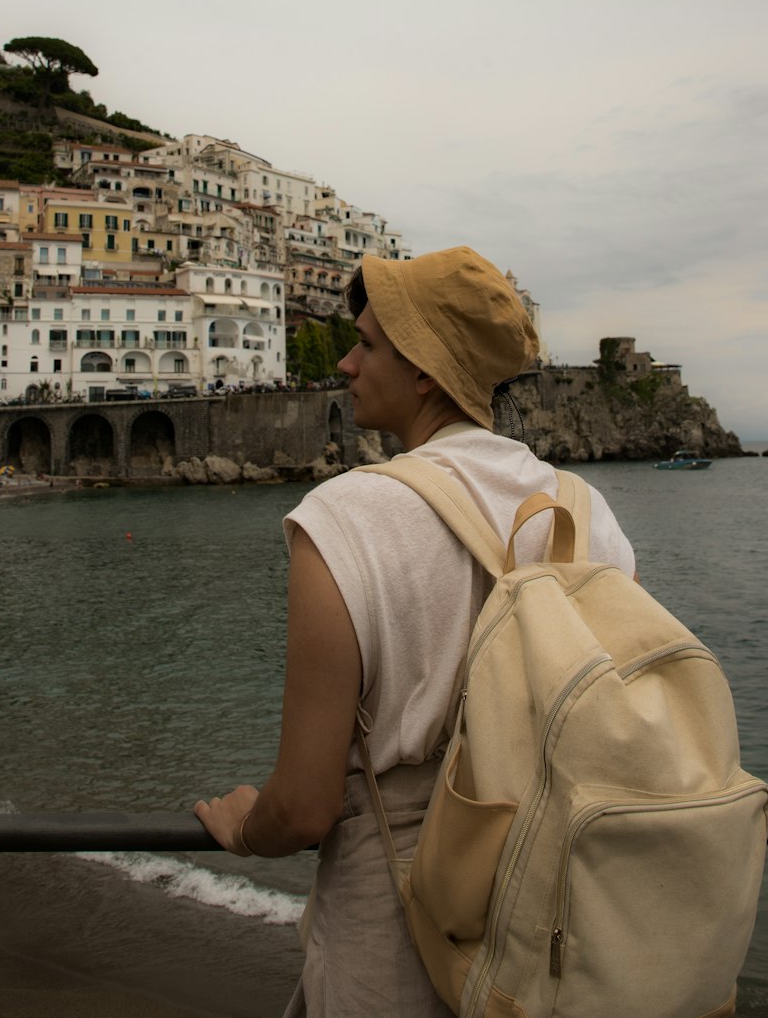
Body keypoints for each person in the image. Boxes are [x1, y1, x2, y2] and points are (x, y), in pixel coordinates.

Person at [195, 246, 636, 1017]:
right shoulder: (587, 512)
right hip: (548, 920)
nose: (347, 361)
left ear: (425, 370)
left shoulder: (345, 517)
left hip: (396, 929)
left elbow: (303, 808)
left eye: (367, 344)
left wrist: (241, 825)